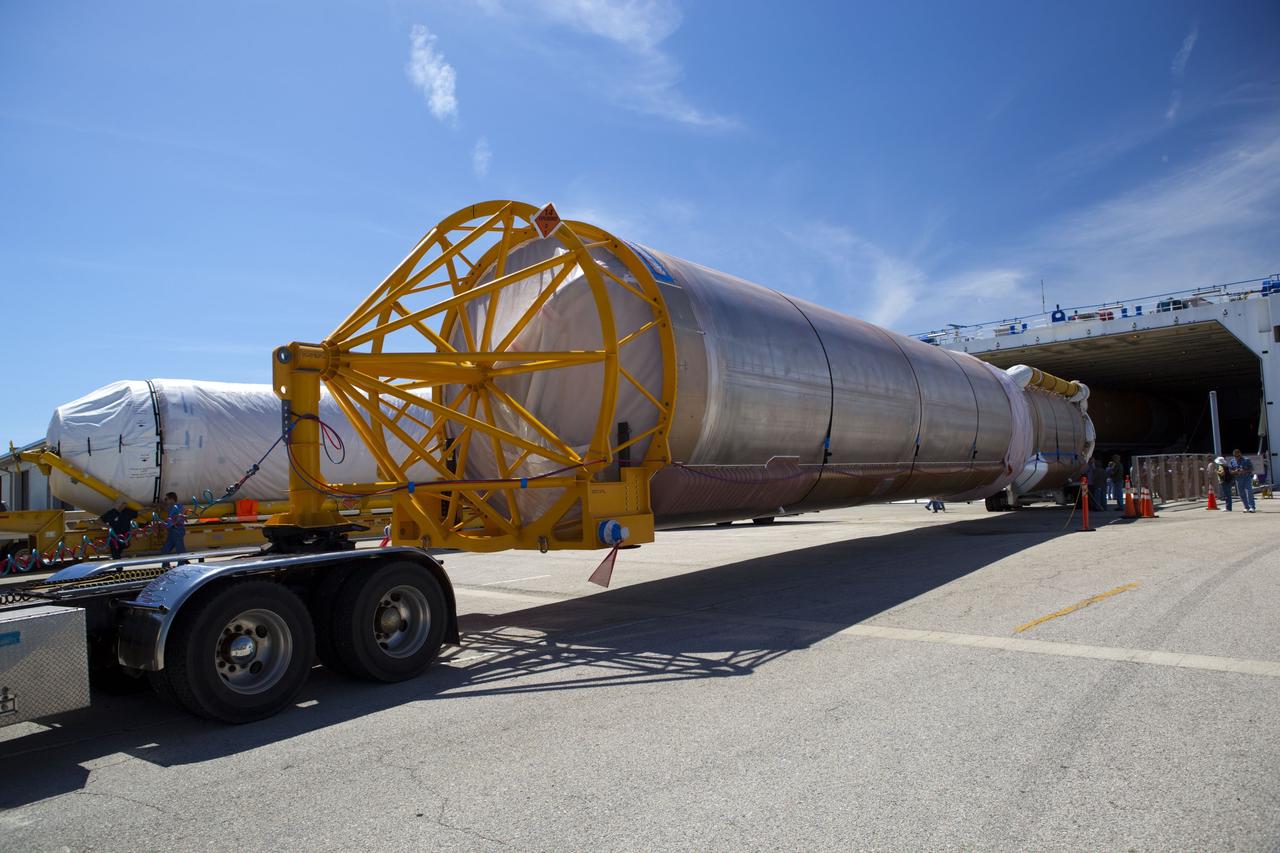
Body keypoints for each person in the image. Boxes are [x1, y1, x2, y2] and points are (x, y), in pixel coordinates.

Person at [160, 491, 188, 564]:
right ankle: (166, 568)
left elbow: (181, 516)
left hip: (177, 530)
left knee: (180, 551)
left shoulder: (179, 506)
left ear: (172, 499)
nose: (165, 501)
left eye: (166, 499)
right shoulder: (170, 508)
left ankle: (182, 567)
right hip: (172, 531)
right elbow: (165, 509)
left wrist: (173, 522)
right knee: (165, 551)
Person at [1230, 449, 1257, 513]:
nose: (1237, 457)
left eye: (1238, 456)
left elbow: (1252, 469)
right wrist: (1235, 471)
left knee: (1249, 492)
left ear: (1240, 454)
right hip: (1238, 478)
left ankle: (1252, 507)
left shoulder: (1246, 460)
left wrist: (1244, 471)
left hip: (1246, 477)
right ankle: (1246, 507)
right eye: (1235, 456)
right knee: (1241, 493)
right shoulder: (1232, 461)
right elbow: (1230, 471)